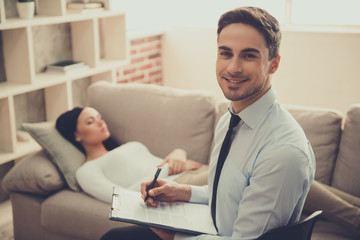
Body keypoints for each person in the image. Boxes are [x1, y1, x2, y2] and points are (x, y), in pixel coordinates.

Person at [100, 6, 316, 240]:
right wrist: (182, 192)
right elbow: (229, 197)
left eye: (249, 55)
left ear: (273, 64)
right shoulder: (228, 121)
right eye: (225, 53)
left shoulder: (282, 153)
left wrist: (174, 238)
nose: (233, 68)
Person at [55, 106, 207, 203]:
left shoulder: (125, 146)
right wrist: (167, 168)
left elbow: (162, 161)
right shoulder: (86, 171)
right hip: (178, 185)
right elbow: (120, 197)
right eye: (90, 122)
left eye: (100, 118)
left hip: (197, 171)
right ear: (76, 135)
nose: (101, 123)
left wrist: (178, 153)